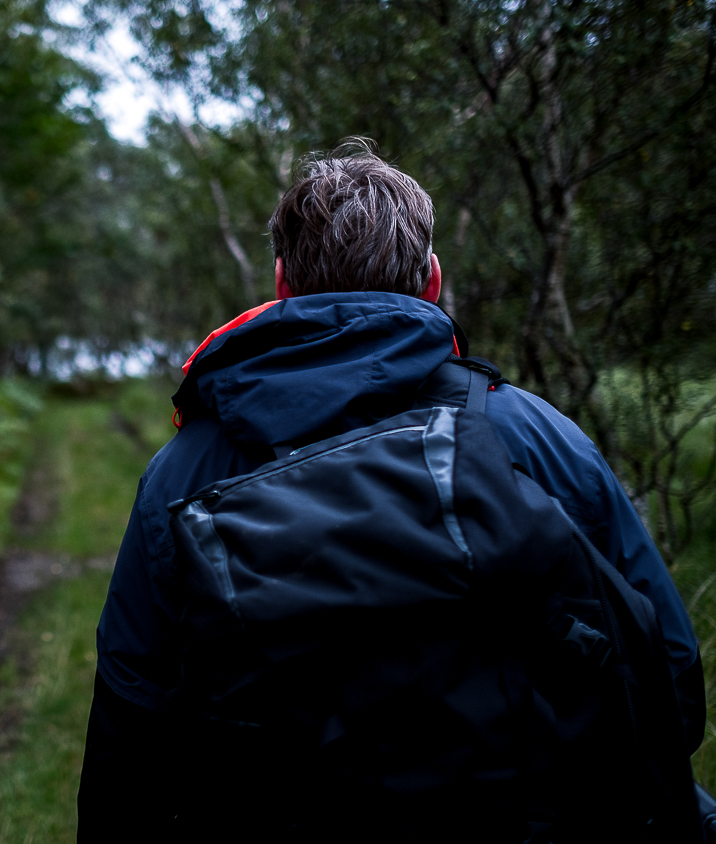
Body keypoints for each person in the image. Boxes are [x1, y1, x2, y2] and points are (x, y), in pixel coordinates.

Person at [75, 140, 705, 841]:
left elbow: (132, 724)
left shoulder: (186, 468)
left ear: (282, 284)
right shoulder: (536, 438)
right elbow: (670, 683)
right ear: (432, 280)